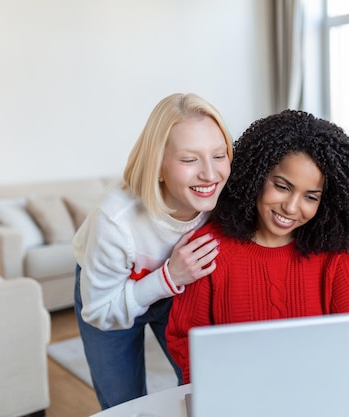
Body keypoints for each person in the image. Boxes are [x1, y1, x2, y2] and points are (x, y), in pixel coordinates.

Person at [166, 109, 349, 383]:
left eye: (310, 197)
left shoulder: (338, 250)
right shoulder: (208, 247)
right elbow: (185, 340)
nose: (291, 207)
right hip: (235, 391)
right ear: (257, 176)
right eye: (282, 187)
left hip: (317, 387)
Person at [73, 93, 232, 409]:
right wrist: (169, 277)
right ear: (157, 165)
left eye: (219, 155)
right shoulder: (116, 219)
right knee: (122, 403)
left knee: (199, 388)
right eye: (189, 159)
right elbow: (99, 312)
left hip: (178, 289)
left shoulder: (224, 199)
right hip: (111, 295)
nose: (211, 174)